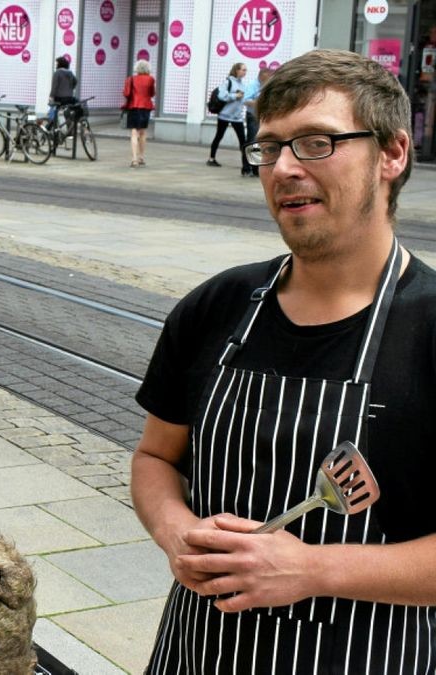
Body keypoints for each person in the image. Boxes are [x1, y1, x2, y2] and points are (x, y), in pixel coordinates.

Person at [132, 49, 429, 672]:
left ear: (393, 154)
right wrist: (176, 531)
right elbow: (155, 456)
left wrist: (312, 567)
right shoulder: (218, 305)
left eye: (317, 142)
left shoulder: (429, 326)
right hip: (198, 653)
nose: (285, 168)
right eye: (270, 147)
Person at [206, 62, 253, 175]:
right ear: (236, 70)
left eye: (246, 70)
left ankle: (246, 165)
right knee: (219, 136)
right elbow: (221, 95)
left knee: (243, 141)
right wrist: (234, 96)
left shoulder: (243, 85)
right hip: (224, 116)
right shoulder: (228, 82)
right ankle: (211, 158)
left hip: (237, 117)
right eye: (243, 70)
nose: (244, 72)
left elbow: (243, 100)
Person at [122, 59, 156, 168]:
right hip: (146, 107)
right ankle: (141, 156)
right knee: (142, 132)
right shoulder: (151, 79)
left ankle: (134, 159)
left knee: (133, 133)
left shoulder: (130, 79)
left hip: (133, 106)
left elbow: (126, 93)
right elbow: (152, 93)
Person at [242, 66, 274, 175]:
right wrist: (259, 102)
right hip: (252, 116)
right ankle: (246, 168)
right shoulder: (252, 85)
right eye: (267, 78)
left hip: (261, 117)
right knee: (251, 142)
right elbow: (245, 100)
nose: (268, 80)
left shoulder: (266, 86)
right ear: (261, 76)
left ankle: (256, 169)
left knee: (259, 142)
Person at [47, 55, 77, 127]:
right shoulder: (70, 73)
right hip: (69, 97)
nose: (56, 65)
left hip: (60, 98)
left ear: (60, 64)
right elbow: (75, 81)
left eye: (57, 63)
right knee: (66, 111)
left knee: (52, 109)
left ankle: (50, 126)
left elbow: (54, 87)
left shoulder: (57, 73)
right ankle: (69, 130)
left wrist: (51, 97)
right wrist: (70, 89)